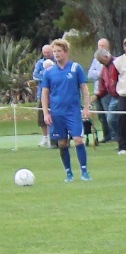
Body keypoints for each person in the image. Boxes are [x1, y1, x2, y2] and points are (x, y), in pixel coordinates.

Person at [40, 39, 92, 182]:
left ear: (66, 52)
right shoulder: (49, 72)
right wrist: (46, 113)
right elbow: (45, 93)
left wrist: (86, 107)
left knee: (78, 140)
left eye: (59, 51)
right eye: (54, 51)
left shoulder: (75, 68)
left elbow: (84, 89)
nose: (56, 54)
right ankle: (68, 173)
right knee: (62, 143)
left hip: (73, 112)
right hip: (56, 113)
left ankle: (84, 171)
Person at [86, 38, 114, 142]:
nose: (101, 48)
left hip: (107, 92)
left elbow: (109, 74)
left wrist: (100, 74)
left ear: (107, 47)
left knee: (109, 114)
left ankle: (114, 135)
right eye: (99, 46)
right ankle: (106, 135)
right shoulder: (95, 60)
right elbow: (90, 75)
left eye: (103, 46)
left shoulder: (112, 60)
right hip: (97, 91)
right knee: (101, 115)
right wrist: (101, 74)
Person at [92, 48, 119, 142]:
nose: (100, 63)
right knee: (111, 119)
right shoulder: (104, 68)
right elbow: (102, 85)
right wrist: (97, 95)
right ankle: (120, 138)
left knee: (115, 118)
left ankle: (121, 138)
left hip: (122, 95)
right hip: (113, 96)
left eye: (101, 60)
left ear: (106, 56)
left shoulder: (118, 63)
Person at [32, 44, 55, 148]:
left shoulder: (56, 61)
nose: (46, 54)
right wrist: (45, 76)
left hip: (55, 94)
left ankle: (55, 137)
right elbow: (35, 75)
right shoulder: (40, 63)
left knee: (56, 116)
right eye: (45, 53)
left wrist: (47, 74)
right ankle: (45, 138)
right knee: (42, 117)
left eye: (48, 52)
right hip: (42, 94)